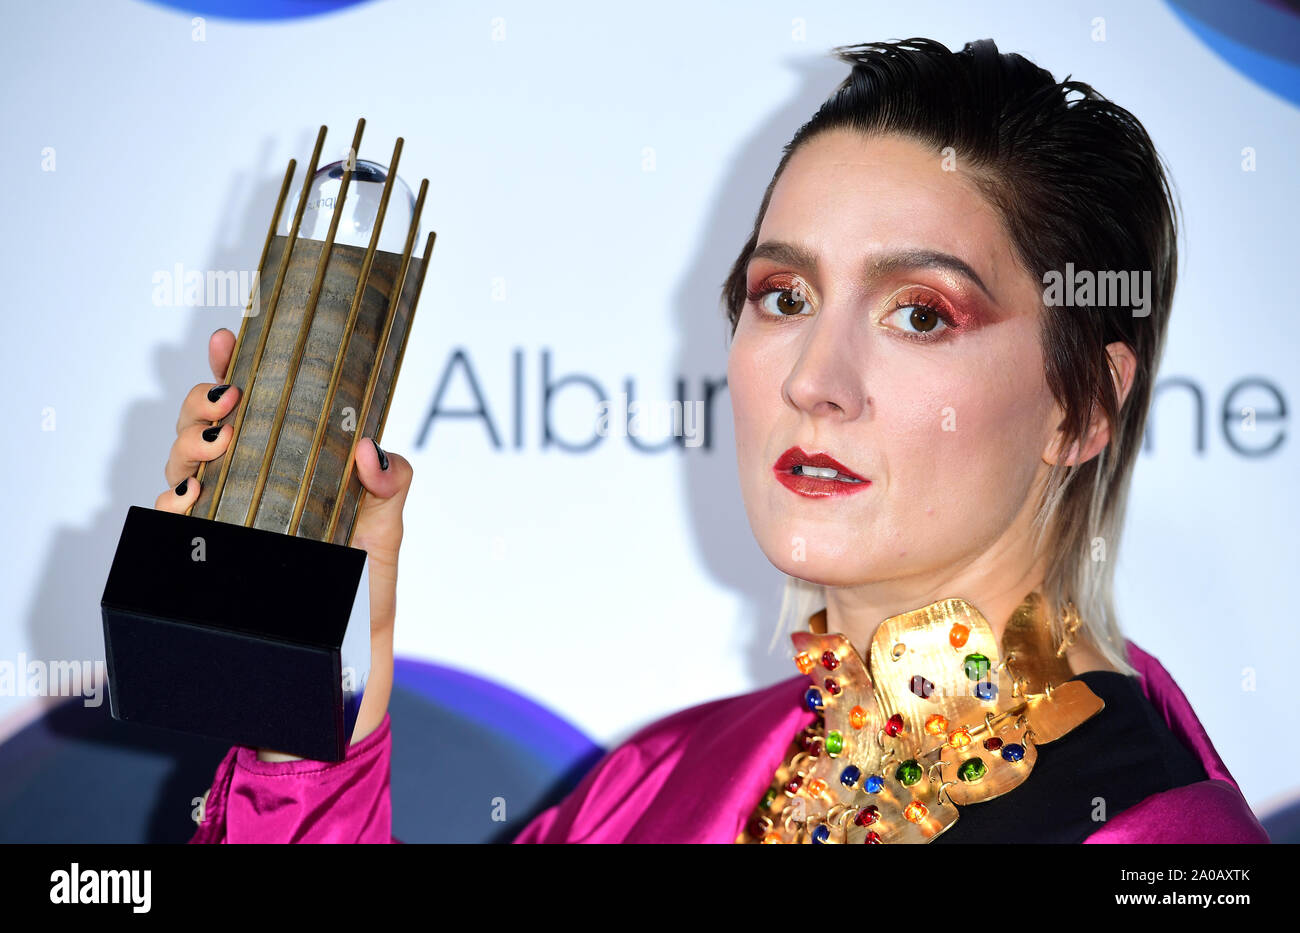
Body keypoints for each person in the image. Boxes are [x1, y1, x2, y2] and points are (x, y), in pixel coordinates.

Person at [168, 38, 1269, 844]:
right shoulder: (671, 780)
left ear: (1082, 406)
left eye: (920, 314)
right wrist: (302, 682)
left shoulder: (1152, 836)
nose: (813, 382)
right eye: (783, 297)